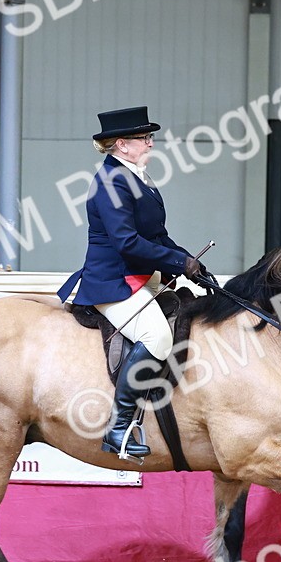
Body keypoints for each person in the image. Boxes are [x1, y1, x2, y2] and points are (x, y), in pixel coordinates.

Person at [57, 106, 203, 459]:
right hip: (113, 280)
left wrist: (188, 261)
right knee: (157, 335)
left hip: (140, 274)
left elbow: (156, 234)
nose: (151, 143)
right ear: (122, 144)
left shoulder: (136, 176)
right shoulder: (111, 182)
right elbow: (126, 242)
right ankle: (118, 428)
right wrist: (176, 261)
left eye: (150, 137)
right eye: (145, 138)